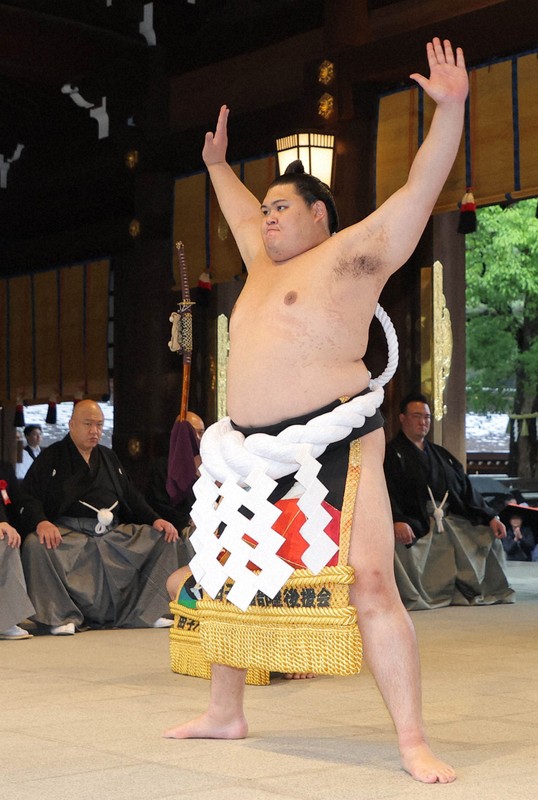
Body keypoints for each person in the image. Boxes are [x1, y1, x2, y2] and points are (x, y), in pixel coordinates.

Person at [164, 39, 468, 784]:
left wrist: (453, 111)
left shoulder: (352, 257)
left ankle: (412, 740)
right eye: (263, 207)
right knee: (227, 576)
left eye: (280, 207)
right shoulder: (260, 264)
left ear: (320, 217)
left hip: (334, 443)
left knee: (369, 580)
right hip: (245, 449)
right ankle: (225, 713)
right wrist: (215, 167)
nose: (264, 217)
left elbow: (418, 192)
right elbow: (237, 206)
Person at [19, 399, 188, 635]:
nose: (94, 431)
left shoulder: (108, 458)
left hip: (112, 536)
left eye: (99, 425)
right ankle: (58, 615)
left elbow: (131, 495)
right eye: (88, 424)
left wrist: (154, 519)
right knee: (35, 546)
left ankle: (146, 612)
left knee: (163, 538)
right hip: (70, 537)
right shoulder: (52, 457)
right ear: (71, 424)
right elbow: (28, 497)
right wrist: (42, 522)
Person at [384, 393, 514, 608]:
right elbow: (385, 491)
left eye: (426, 417)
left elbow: (466, 489)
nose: (423, 422)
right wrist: (397, 519)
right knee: (399, 545)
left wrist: (491, 516)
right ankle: (423, 593)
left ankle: (475, 588)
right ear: (402, 418)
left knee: (486, 532)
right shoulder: (390, 454)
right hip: (414, 519)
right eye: (416, 416)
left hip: (449, 518)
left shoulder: (442, 455)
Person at [0, 460, 35, 639]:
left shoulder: (4, 467)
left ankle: (7, 619)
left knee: (11, 538)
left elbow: (19, 500)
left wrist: (40, 521)